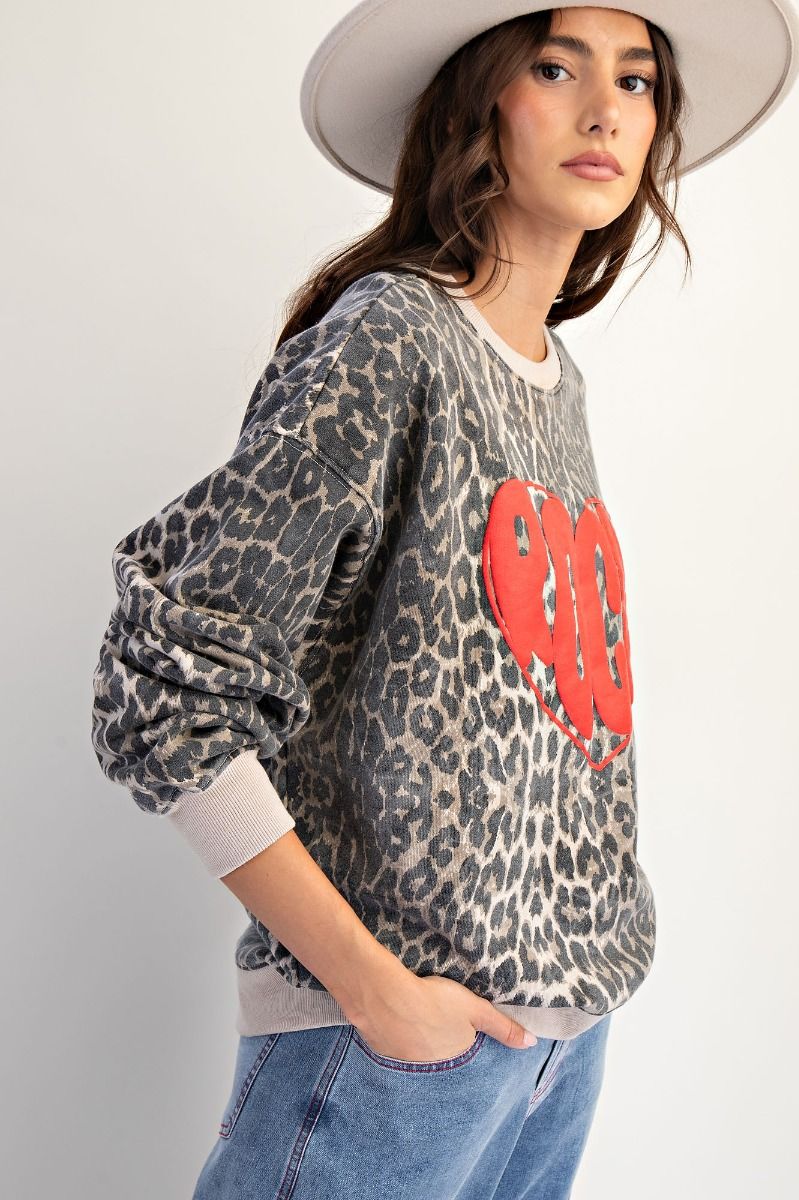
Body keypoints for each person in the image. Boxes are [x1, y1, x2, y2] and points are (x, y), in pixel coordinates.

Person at [89, 3, 798, 1198]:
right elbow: (161, 690)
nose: (603, 111)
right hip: (387, 1053)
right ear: (478, 105)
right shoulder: (391, 338)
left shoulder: (553, 380)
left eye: (635, 81)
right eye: (556, 67)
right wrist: (371, 988)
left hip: (555, 1047)